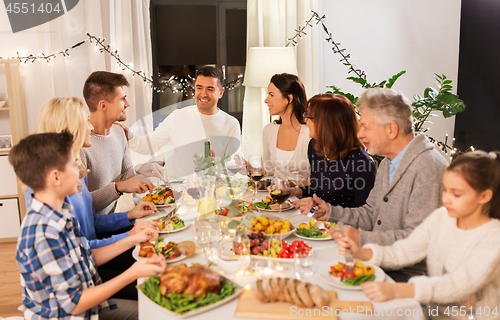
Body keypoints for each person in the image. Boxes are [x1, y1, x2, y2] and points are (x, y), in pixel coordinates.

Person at [10, 131, 166, 320]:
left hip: (88, 300)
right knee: (155, 312)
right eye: (73, 165)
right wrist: (133, 273)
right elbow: (74, 304)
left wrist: (133, 238)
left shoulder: (60, 211)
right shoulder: (43, 233)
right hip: (75, 313)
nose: (81, 171)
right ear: (56, 177)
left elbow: (86, 255)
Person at [336, 151, 500, 320]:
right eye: (445, 190)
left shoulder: (493, 237)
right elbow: (406, 250)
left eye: (456, 194)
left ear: (485, 196)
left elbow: (459, 284)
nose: (446, 199)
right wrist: (363, 253)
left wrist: (398, 290)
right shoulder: (441, 217)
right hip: (433, 314)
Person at [309, 88, 449, 282]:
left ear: (391, 129)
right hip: (380, 262)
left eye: (366, 126)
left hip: (411, 277)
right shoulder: (388, 162)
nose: (359, 134)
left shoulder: (427, 169)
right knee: (313, 268)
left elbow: (417, 241)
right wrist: (331, 212)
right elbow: (370, 214)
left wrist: (362, 239)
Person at [26, 97, 159, 249]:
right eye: (85, 121)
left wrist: (130, 215)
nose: (91, 127)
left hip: (93, 250)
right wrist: (130, 236)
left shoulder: (77, 172)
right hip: (89, 259)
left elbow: (91, 223)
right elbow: (80, 250)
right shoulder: (53, 185)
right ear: (69, 129)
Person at [124, 66, 241, 180]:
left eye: (210, 89)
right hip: (177, 187)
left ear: (221, 93)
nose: (203, 94)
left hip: (213, 188)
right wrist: (129, 136)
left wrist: (216, 162)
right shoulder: (177, 116)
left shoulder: (231, 123)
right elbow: (149, 145)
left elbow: (233, 164)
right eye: (199, 88)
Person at [81, 71, 158, 215]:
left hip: (112, 222)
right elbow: (81, 204)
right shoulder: (81, 145)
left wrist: (141, 169)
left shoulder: (119, 132)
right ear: (103, 106)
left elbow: (125, 174)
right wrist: (117, 187)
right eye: (122, 99)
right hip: (93, 230)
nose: (128, 104)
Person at [291, 93, 375, 210]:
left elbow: (366, 215)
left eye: (309, 117)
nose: (305, 121)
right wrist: (296, 191)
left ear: (326, 124)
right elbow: (321, 189)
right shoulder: (315, 146)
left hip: (343, 227)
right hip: (319, 223)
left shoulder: (361, 163)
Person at [262, 73, 310, 184]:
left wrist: (291, 186)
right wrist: (249, 167)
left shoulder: (310, 132)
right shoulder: (269, 131)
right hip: (277, 197)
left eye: (271, 95)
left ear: (289, 98)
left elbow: (321, 180)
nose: (266, 100)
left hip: (305, 198)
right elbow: (268, 171)